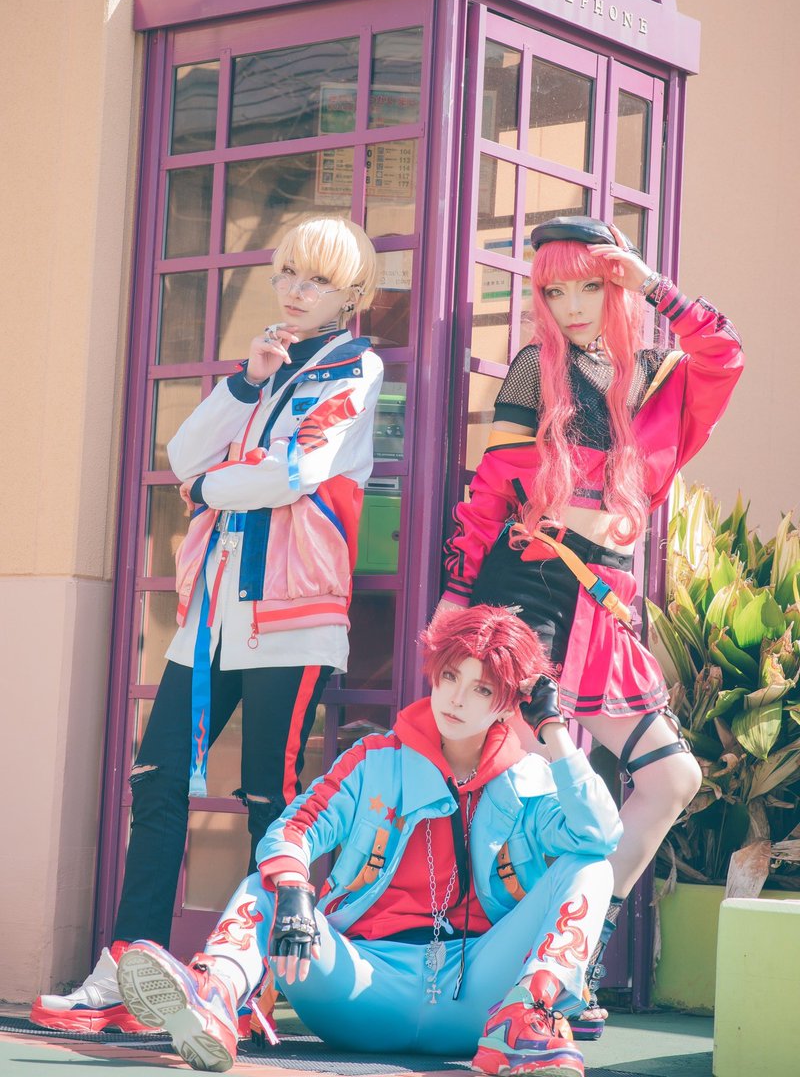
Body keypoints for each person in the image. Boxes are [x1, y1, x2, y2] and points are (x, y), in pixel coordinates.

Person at [32, 215, 383, 1035]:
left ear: (351, 295)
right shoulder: (268, 365)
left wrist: (208, 489)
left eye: (316, 279)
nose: (294, 291)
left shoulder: (354, 367)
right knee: (157, 783)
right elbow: (183, 454)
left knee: (270, 801)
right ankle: (127, 969)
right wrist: (246, 384)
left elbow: (294, 473)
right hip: (213, 615)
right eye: (287, 272)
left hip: (291, 618)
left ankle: (245, 987)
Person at [437, 215, 744, 1036]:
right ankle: (503, 972)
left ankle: (572, 953)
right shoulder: (535, 369)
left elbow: (726, 353)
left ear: (620, 287)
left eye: (590, 287)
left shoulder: (661, 371)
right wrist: (455, 601)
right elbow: (490, 490)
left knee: (671, 780)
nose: (572, 307)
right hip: (528, 591)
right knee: (521, 794)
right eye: (554, 291)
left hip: (604, 603)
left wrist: (656, 287)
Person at [112, 605, 622, 1075]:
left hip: (479, 998)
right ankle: (214, 998)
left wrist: (553, 728)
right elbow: (293, 828)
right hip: (357, 986)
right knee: (268, 884)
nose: (456, 699)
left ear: (510, 703)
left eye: (482, 689)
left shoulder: (530, 780)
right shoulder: (373, 761)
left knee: (590, 866)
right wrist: (294, 890)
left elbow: (600, 835)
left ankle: (529, 1016)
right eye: (449, 676)